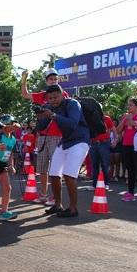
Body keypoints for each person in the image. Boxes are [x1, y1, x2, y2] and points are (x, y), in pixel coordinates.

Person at [37, 85, 90, 217]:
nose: (53, 100)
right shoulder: (50, 107)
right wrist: (41, 116)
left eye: (56, 97)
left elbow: (72, 123)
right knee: (54, 173)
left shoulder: (73, 103)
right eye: (50, 98)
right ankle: (57, 205)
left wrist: (53, 116)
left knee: (69, 175)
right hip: (65, 141)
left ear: (62, 95)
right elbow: (40, 127)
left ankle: (73, 208)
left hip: (80, 141)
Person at [21, 68, 68, 206]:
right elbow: (24, 94)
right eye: (50, 79)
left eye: (55, 79)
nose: (53, 81)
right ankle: (43, 195)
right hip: (42, 136)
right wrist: (24, 79)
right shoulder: (42, 95)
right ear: (46, 81)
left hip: (57, 136)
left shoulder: (63, 95)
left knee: (55, 168)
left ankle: (54, 197)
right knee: (42, 167)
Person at [88, 111, 116, 190]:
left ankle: (106, 184)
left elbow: (113, 129)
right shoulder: (90, 119)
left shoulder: (106, 118)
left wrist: (115, 140)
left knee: (105, 164)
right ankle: (94, 184)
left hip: (104, 143)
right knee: (94, 165)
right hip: (93, 143)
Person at [109, 118, 122, 182]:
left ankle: (116, 176)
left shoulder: (119, 130)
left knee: (117, 162)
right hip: (111, 147)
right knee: (111, 163)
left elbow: (120, 139)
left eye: (115, 122)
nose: (114, 123)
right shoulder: (110, 130)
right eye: (113, 122)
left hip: (117, 147)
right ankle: (111, 176)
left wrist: (115, 143)